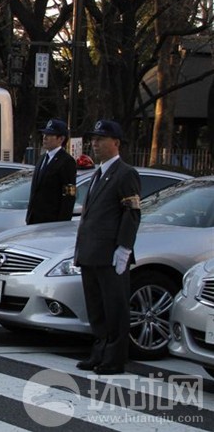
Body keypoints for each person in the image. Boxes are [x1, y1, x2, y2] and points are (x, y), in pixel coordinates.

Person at [74, 119, 141, 375]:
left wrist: (124, 248)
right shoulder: (98, 173)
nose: (95, 144)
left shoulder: (125, 173)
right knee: (97, 308)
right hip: (92, 252)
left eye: (101, 139)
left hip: (110, 253)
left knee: (115, 307)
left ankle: (114, 358)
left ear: (116, 143)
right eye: (94, 139)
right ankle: (100, 351)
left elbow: (131, 213)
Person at [26, 118, 77, 225]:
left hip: (51, 221)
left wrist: (62, 223)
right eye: (44, 134)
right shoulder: (42, 158)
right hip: (34, 219)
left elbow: (68, 196)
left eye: (49, 135)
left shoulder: (66, 161)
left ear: (61, 139)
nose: (44, 137)